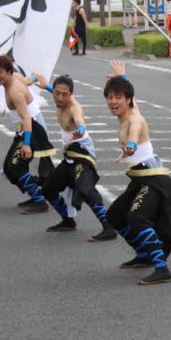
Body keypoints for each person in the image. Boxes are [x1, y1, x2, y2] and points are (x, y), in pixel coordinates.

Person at [103, 62, 171, 285]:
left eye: (118, 97)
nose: (113, 101)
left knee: (137, 217)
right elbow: (132, 102)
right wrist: (122, 78)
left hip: (155, 180)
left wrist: (131, 146)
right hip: (139, 180)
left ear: (128, 99)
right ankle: (144, 254)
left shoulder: (135, 119)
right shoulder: (130, 111)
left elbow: (134, 133)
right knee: (114, 215)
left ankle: (162, 268)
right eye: (110, 97)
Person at [31, 74, 118, 240]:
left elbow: (79, 120)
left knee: (86, 189)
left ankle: (109, 228)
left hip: (82, 154)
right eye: (57, 93)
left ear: (71, 94)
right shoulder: (59, 98)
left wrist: (80, 130)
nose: (60, 97)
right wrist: (46, 86)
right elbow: (57, 92)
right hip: (70, 155)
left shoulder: (74, 108)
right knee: (48, 189)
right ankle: (68, 221)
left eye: (65, 94)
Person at [0, 54, 66, 215]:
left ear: (8, 71)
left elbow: (26, 118)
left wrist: (27, 144)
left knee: (15, 167)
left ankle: (40, 200)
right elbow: (27, 81)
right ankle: (35, 195)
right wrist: (34, 78)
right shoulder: (15, 77)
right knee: (9, 168)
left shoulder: (14, 91)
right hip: (26, 128)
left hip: (32, 129)